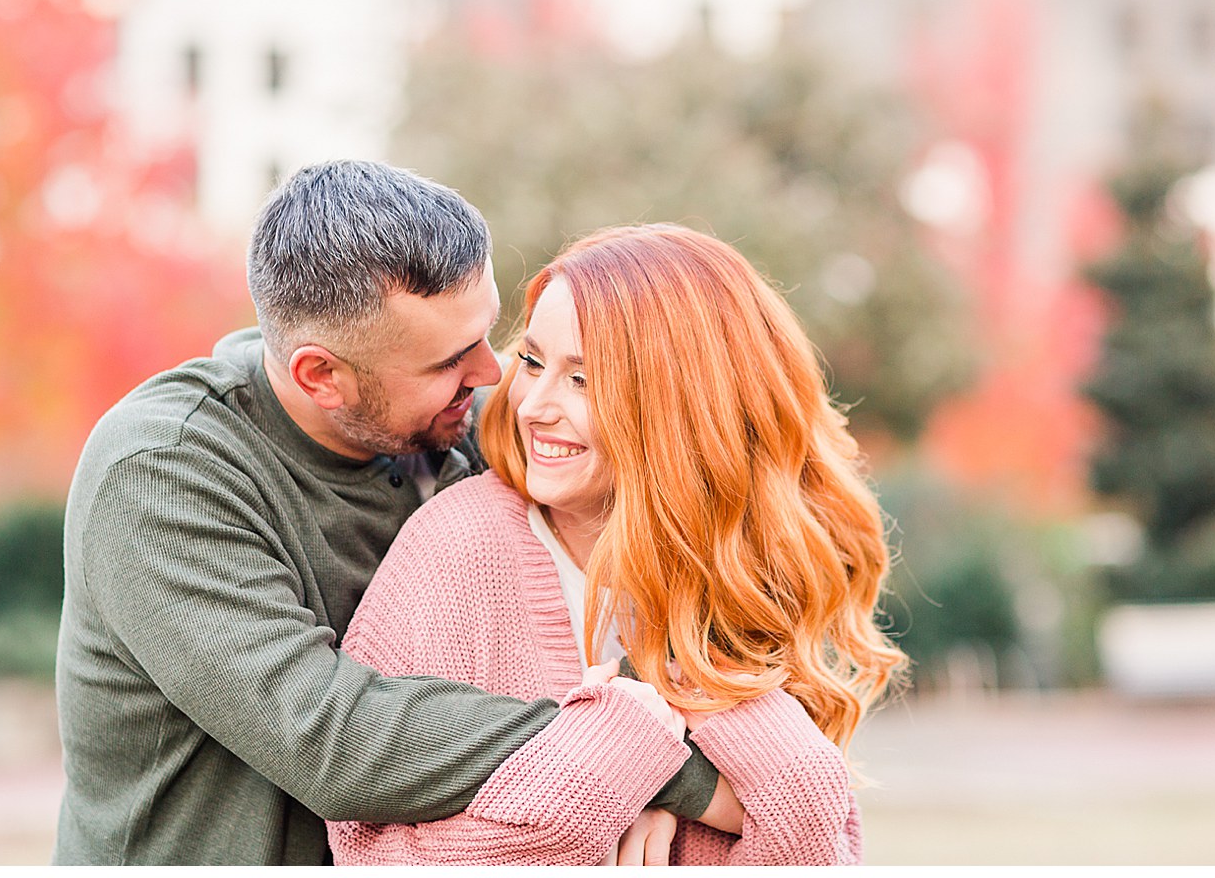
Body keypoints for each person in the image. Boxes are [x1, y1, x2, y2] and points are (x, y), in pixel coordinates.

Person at [51, 162, 733, 866]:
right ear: (323, 376)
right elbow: (331, 739)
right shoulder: (164, 471)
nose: (493, 375)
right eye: (447, 361)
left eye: (486, 334)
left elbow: (671, 535)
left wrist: (635, 769)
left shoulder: (462, 425)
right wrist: (657, 762)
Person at [327, 223, 909, 866]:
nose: (533, 407)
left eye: (583, 379)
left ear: (680, 404)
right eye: (532, 362)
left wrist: (698, 784)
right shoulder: (460, 552)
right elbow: (375, 849)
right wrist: (626, 747)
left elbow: (816, 839)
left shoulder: (741, 573)